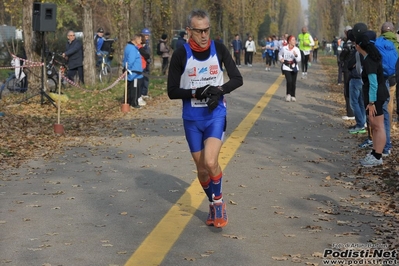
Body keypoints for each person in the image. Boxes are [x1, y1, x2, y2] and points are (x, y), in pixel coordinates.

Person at [167, 9, 243, 228]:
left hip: (215, 114)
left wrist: (218, 90)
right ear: (189, 31)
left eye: (207, 30)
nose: (203, 35)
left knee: (211, 162)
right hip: (192, 118)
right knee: (201, 169)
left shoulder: (218, 49)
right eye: (199, 31)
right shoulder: (181, 54)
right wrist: (195, 92)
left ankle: (219, 203)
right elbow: (172, 91)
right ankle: (211, 202)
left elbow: (237, 79)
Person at [355, 33, 389, 167]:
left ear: (358, 46)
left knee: (378, 126)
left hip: (377, 98)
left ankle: (378, 156)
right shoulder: (369, 58)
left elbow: (373, 83)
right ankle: (374, 151)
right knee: (374, 125)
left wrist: (371, 102)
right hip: (375, 96)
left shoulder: (369, 61)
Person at [379, 21, 398, 156]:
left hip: (382, 78)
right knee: (390, 106)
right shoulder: (397, 43)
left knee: (384, 109)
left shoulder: (378, 42)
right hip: (394, 78)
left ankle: (385, 139)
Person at [122, 34, 143, 108]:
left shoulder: (129, 47)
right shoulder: (132, 49)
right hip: (134, 72)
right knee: (135, 88)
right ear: (136, 39)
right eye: (140, 39)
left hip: (133, 71)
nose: (141, 41)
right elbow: (131, 60)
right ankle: (134, 102)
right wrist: (128, 69)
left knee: (130, 87)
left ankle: (129, 101)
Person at [279, 35, 302, 102]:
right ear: (289, 41)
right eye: (293, 40)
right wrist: (281, 59)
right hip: (286, 66)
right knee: (289, 81)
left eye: (295, 40)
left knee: (293, 82)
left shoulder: (297, 49)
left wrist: (296, 55)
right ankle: (288, 94)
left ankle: (293, 95)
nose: (294, 41)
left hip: (294, 67)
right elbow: (280, 54)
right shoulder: (284, 48)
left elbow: (298, 60)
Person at [340, 26, 355, 120]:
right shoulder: (357, 42)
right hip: (355, 69)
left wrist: (341, 60)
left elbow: (342, 56)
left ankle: (350, 113)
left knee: (348, 90)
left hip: (347, 68)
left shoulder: (347, 44)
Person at [136, 34, 150, 107]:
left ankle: (140, 95)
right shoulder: (139, 47)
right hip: (140, 66)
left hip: (142, 66)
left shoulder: (141, 47)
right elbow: (146, 55)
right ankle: (138, 97)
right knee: (139, 82)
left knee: (142, 81)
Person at [141, 28, 151, 99]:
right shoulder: (142, 43)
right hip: (143, 63)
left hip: (147, 62)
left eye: (147, 35)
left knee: (146, 78)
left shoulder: (148, 43)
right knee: (142, 78)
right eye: (145, 35)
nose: (146, 36)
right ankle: (142, 92)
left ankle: (144, 92)